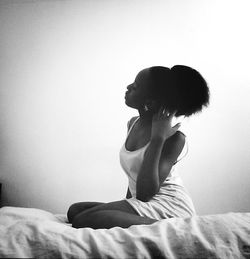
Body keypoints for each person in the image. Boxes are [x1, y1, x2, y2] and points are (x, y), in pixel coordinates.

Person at [67, 65, 210, 229]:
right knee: (75, 211)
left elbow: (145, 193)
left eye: (135, 87)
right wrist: (124, 208)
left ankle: (174, 226)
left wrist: (157, 139)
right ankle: (155, 223)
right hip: (143, 202)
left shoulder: (175, 138)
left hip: (167, 205)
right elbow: (133, 179)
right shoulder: (133, 123)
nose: (128, 87)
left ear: (150, 101)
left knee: (82, 220)